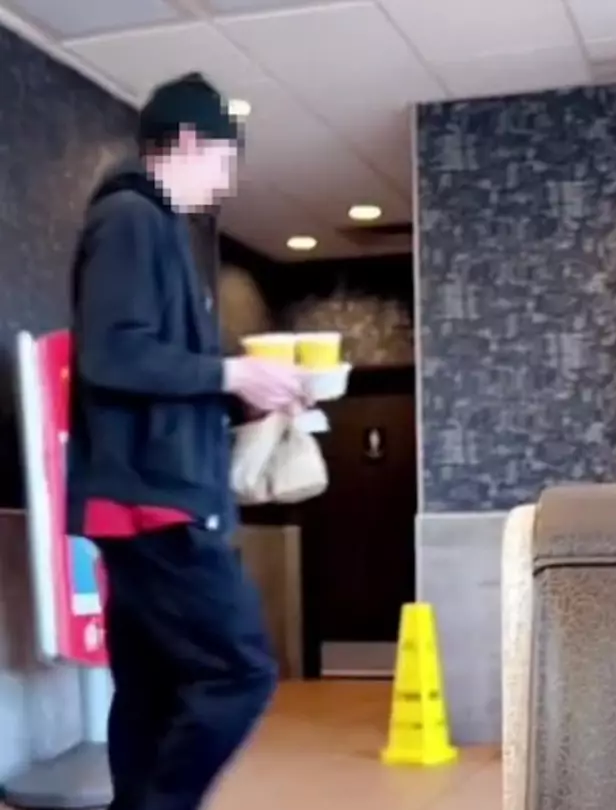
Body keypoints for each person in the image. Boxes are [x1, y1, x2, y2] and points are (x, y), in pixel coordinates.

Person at [67, 72, 307, 810]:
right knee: (239, 673)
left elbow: (150, 371)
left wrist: (243, 393)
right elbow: (112, 354)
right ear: (193, 142)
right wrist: (230, 370)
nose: (228, 178)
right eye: (225, 158)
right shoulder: (132, 221)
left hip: (143, 491)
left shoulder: (152, 227)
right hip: (153, 500)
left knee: (154, 687)